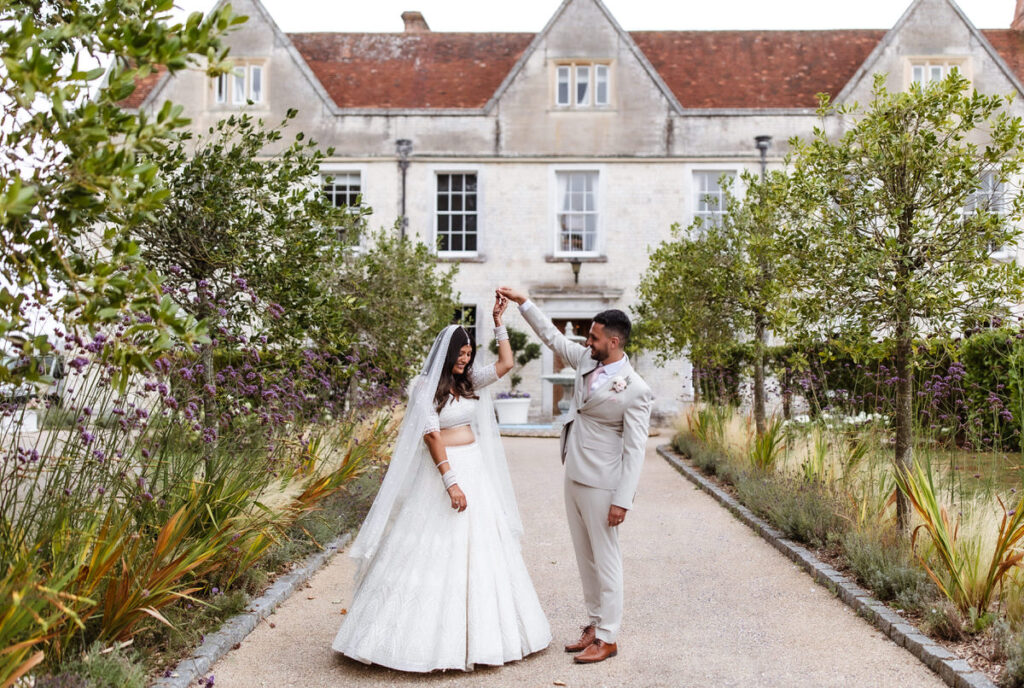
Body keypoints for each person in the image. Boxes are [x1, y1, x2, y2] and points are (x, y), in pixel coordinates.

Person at [332, 293, 551, 672]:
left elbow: (506, 362)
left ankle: (481, 636)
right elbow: (431, 436)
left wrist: (500, 322)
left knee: (482, 550)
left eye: (468, 352)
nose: (466, 359)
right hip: (444, 474)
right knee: (431, 550)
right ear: (446, 354)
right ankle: (412, 643)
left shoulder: (468, 383)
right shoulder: (424, 387)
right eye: (461, 353)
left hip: (475, 468)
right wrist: (450, 482)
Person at [497, 286, 653, 665]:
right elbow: (551, 335)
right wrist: (523, 303)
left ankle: (610, 638)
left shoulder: (636, 391)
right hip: (574, 473)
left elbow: (635, 451)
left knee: (607, 558)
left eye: (595, 337)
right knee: (585, 558)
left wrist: (622, 499)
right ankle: (595, 626)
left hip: (604, 482)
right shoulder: (585, 359)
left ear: (614, 342)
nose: (588, 340)